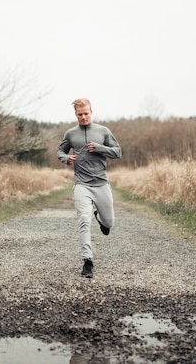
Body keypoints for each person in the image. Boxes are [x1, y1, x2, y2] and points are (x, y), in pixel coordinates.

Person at [57, 98, 122, 278]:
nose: (83, 117)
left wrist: (100, 148)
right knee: (83, 220)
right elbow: (60, 151)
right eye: (80, 114)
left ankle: (100, 217)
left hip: (101, 182)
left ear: (91, 112)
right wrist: (66, 159)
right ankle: (87, 261)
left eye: (86, 113)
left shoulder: (103, 131)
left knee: (109, 223)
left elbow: (118, 151)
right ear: (75, 115)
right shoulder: (71, 134)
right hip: (81, 184)